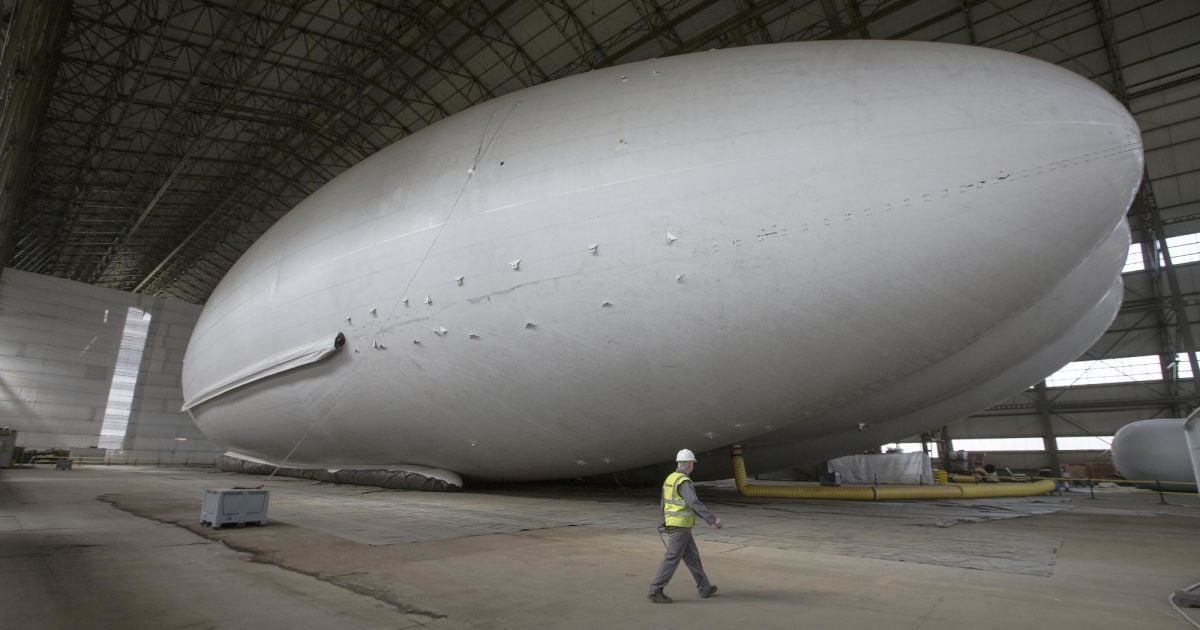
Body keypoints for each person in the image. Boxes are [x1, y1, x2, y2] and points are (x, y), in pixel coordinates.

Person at [647, 448, 722, 604]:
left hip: (679, 526)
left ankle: (704, 587)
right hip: (680, 527)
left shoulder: (670, 478)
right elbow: (693, 502)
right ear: (689, 464)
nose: (693, 466)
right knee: (672, 557)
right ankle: (655, 590)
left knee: (692, 557)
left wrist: (666, 521)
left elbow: (663, 503)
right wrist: (712, 519)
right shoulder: (683, 481)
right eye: (692, 463)